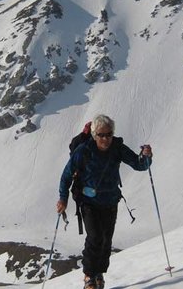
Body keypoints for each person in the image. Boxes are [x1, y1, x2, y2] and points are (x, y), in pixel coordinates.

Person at [56, 114, 153, 289]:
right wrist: (63, 198)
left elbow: (139, 165)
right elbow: (66, 175)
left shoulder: (117, 148)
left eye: (109, 134)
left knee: (106, 240)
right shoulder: (84, 150)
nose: (106, 138)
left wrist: (146, 156)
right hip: (88, 202)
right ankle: (88, 277)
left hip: (110, 201)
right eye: (101, 135)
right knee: (95, 237)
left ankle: (98, 273)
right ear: (94, 135)